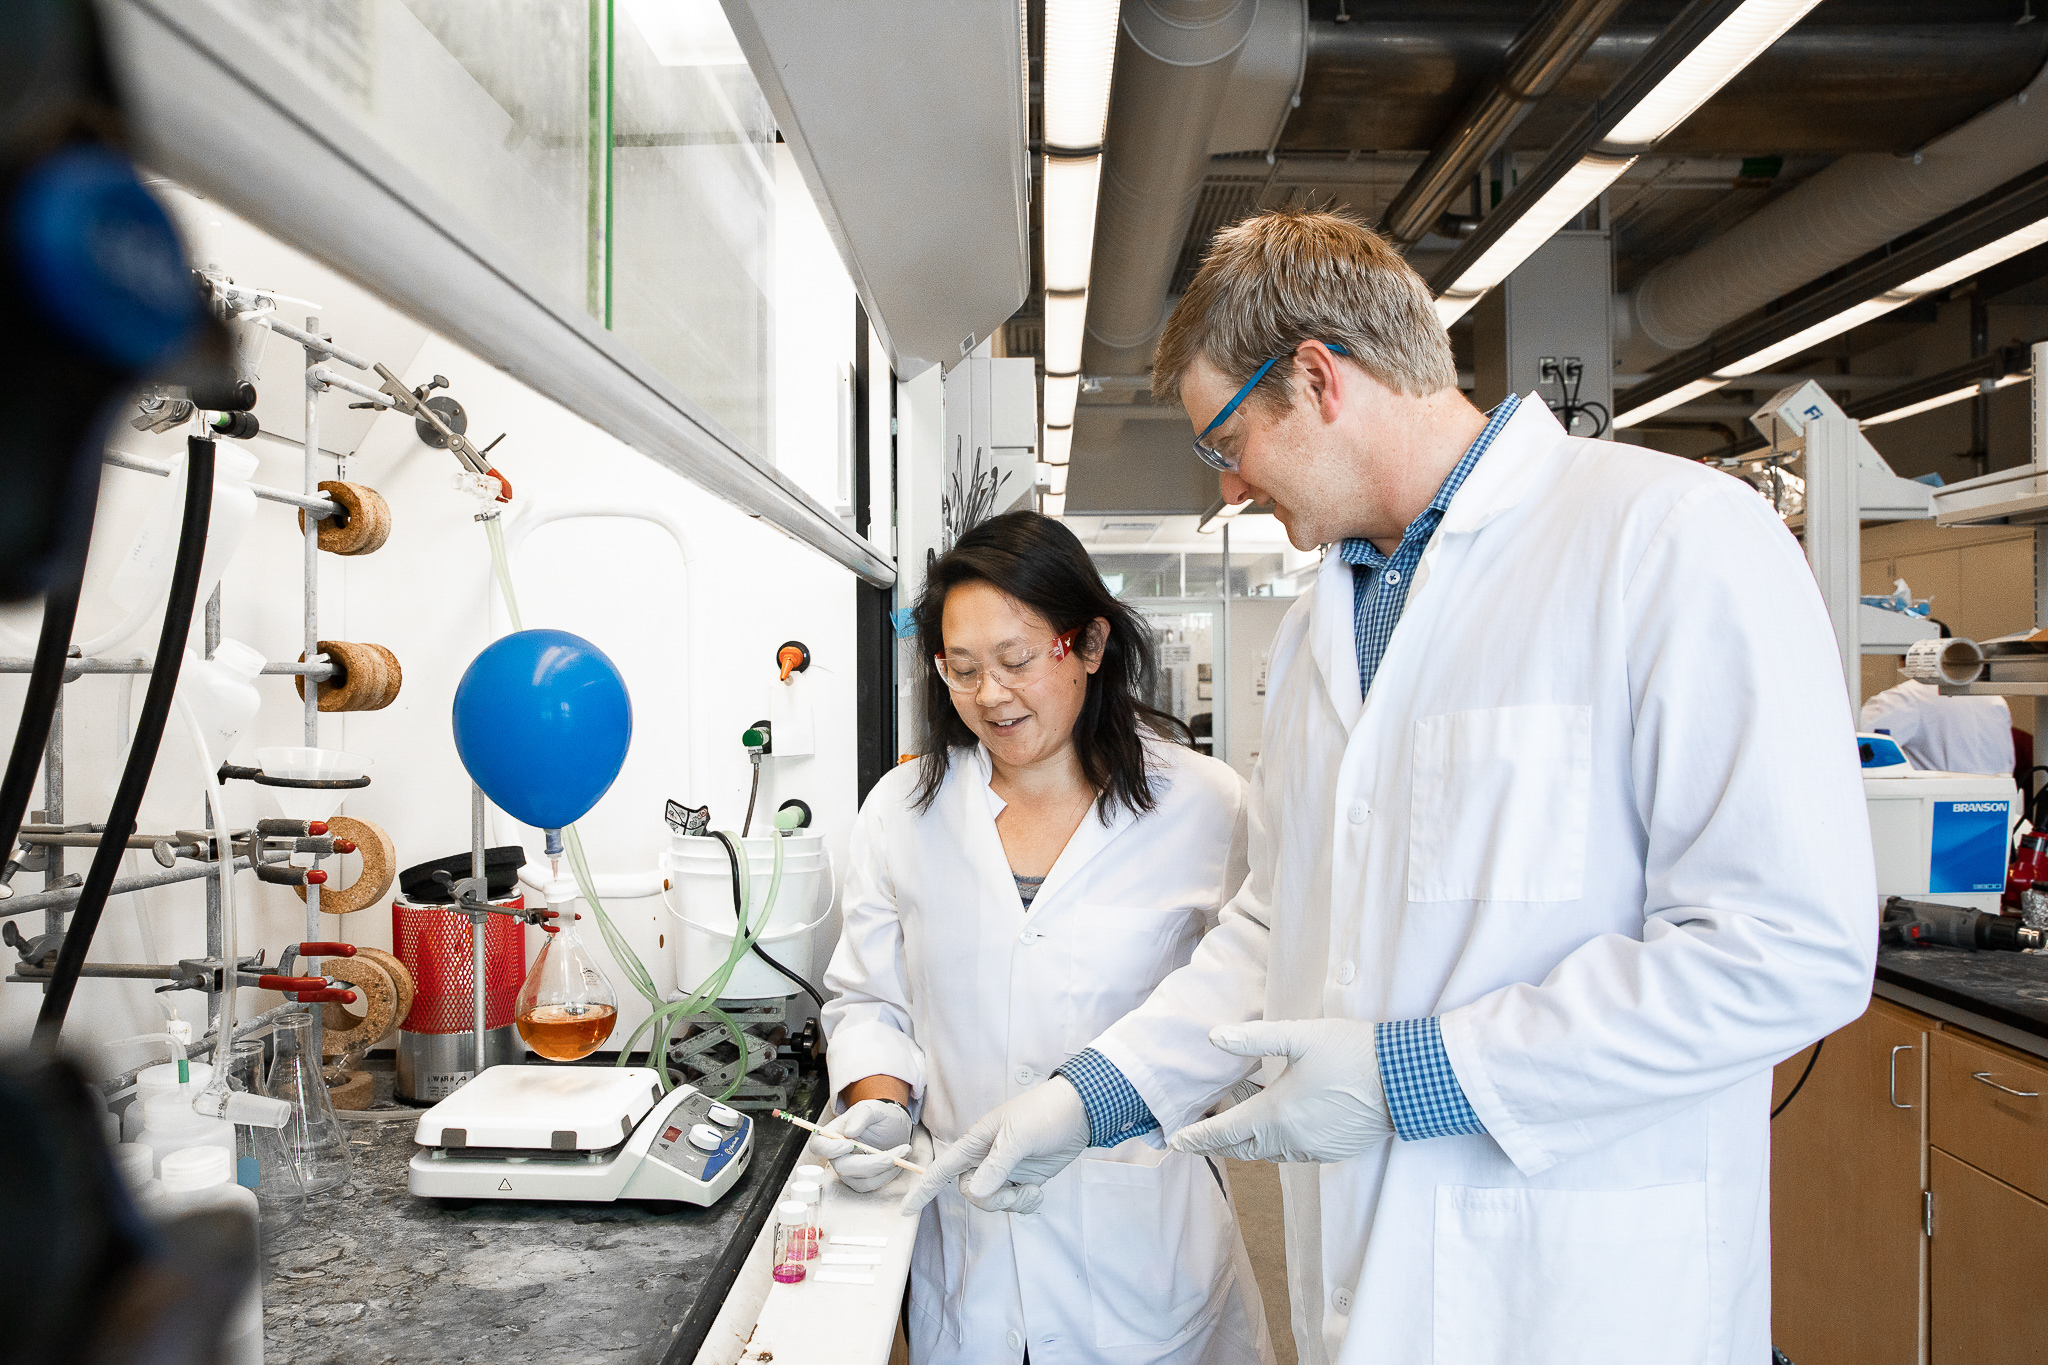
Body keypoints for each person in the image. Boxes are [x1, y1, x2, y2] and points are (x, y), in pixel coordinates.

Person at [904, 209, 1876, 1365]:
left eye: (1225, 443)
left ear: (1316, 378)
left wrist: (1409, 1076)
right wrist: (1090, 1096)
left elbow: (1783, 948)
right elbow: (1277, 922)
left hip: (1579, 1294)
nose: (1227, 492)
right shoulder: (1325, 622)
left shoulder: (1667, 539)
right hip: (1370, 1283)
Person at [815, 511, 1274, 1365]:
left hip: (1143, 1252)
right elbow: (870, 997)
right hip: (968, 1260)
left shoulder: (1208, 807)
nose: (990, 693)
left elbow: (1250, 993)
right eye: (962, 669)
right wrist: (876, 1103)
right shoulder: (903, 809)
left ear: (1090, 643)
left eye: (1017, 660)